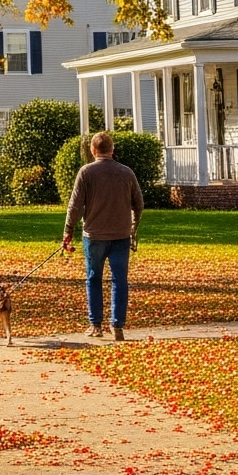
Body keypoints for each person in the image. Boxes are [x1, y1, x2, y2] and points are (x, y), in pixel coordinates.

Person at [60, 130, 143, 339]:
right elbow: (139, 204)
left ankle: (95, 325)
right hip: (120, 235)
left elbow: (75, 205)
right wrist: (133, 227)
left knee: (93, 278)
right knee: (119, 280)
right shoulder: (126, 173)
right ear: (112, 150)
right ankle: (117, 325)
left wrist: (68, 230)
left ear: (93, 150)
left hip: (94, 235)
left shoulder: (86, 173)